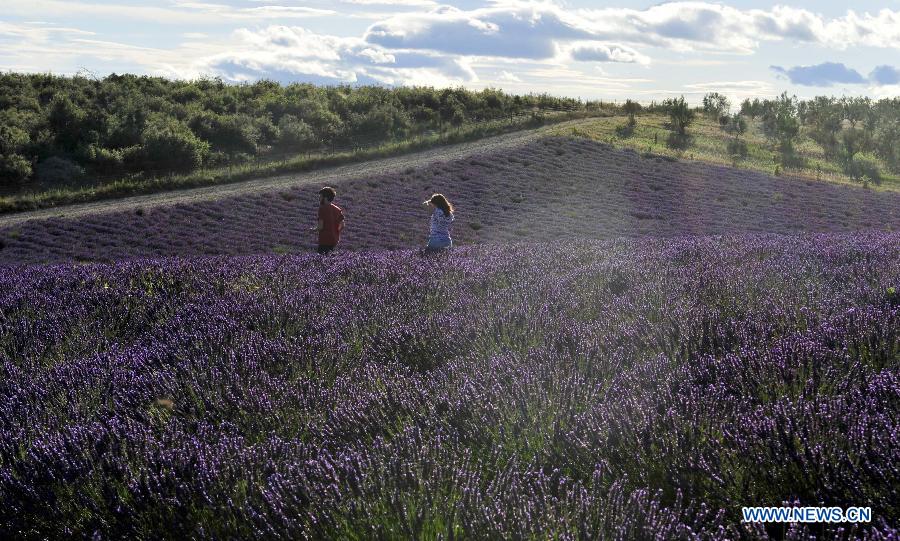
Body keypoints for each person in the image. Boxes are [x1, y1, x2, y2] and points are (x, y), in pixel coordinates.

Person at [309, 186, 344, 254]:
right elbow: (342, 225)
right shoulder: (337, 209)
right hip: (334, 240)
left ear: (325, 198)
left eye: (321, 197)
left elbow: (320, 227)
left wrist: (312, 230)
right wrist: (335, 232)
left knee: (321, 260)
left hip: (324, 240)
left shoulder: (322, 209)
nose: (319, 199)